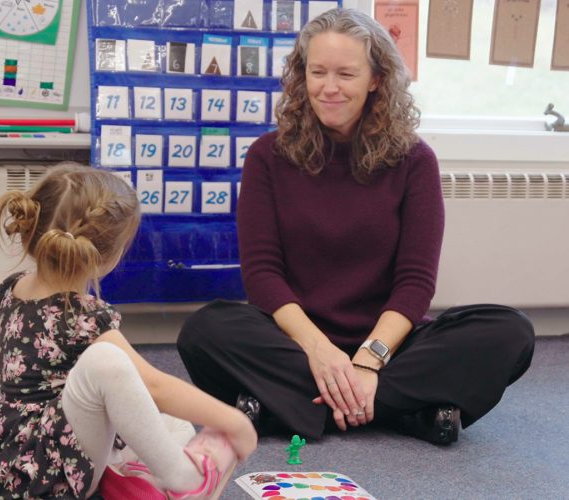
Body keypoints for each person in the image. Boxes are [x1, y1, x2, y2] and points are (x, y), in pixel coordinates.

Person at [177, 8, 535, 446]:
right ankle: (403, 410)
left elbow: (416, 282)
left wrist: (369, 360)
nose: (329, 87)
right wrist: (319, 350)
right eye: (317, 72)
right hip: (295, 341)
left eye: (346, 74)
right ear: (300, 76)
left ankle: (288, 407)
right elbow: (262, 276)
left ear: (376, 79)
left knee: (510, 332)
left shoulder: (415, 161)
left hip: (390, 346)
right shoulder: (266, 157)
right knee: (204, 331)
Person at [0, 163, 257, 499]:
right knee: (107, 363)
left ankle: (132, 475)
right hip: (48, 474)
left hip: (5, 459)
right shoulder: (84, 315)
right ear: (108, 254)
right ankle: (186, 482)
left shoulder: (10, 289)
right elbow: (154, 386)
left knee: (174, 424)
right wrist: (235, 421)